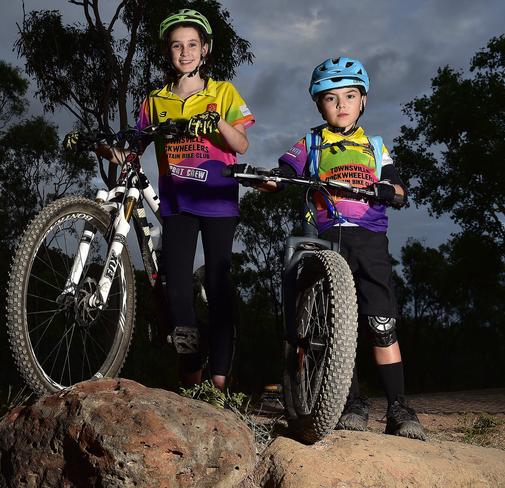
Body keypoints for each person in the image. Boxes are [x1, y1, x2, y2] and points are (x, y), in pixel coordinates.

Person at [256, 57, 425, 440]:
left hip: (369, 240)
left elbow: (398, 189)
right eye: (331, 98)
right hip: (326, 237)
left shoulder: (375, 146)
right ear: (319, 104)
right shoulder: (312, 142)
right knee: (333, 326)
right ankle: (351, 402)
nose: (341, 104)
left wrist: (388, 190)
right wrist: (271, 180)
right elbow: (286, 172)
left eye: (350, 96)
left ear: (362, 100)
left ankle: (399, 406)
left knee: (381, 324)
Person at [92, 9, 254, 390]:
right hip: (177, 204)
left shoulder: (223, 92)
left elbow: (241, 144)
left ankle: (218, 384)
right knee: (177, 292)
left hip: (217, 201)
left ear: (206, 49)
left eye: (192, 45)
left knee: (218, 285)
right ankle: (192, 377)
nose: (185, 52)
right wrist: (104, 148)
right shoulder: (156, 99)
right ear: (169, 51)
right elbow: (133, 148)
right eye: (177, 46)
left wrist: (215, 122)